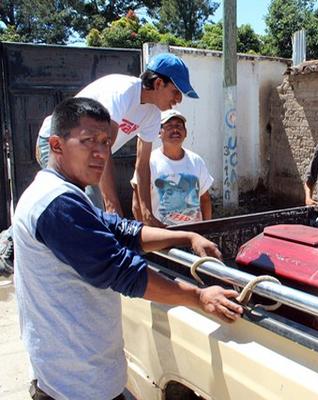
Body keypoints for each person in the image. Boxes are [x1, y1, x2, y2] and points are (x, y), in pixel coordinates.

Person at [13, 97, 243, 400]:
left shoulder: (64, 193)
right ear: (56, 145)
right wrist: (200, 297)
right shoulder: (56, 204)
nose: (100, 154)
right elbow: (121, 270)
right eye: (87, 142)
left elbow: (120, 229)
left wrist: (185, 237)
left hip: (81, 374)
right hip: (73, 385)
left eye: (106, 142)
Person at [35, 52, 198, 226]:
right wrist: (112, 207)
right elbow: (101, 149)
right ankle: (14, 237)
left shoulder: (153, 115)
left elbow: (142, 166)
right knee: (85, 207)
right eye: (176, 91)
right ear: (158, 83)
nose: (179, 99)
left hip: (88, 154)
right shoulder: (123, 91)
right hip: (57, 143)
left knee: (87, 213)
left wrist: (147, 214)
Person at [132, 109, 213, 225]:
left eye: (179, 126)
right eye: (169, 126)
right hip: (162, 237)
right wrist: (146, 235)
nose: (175, 130)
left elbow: (205, 200)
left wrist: (207, 229)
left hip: (193, 235)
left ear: (186, 132)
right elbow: (136, 205)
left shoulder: (196, 161)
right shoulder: (148, 163)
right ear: (159, 132)